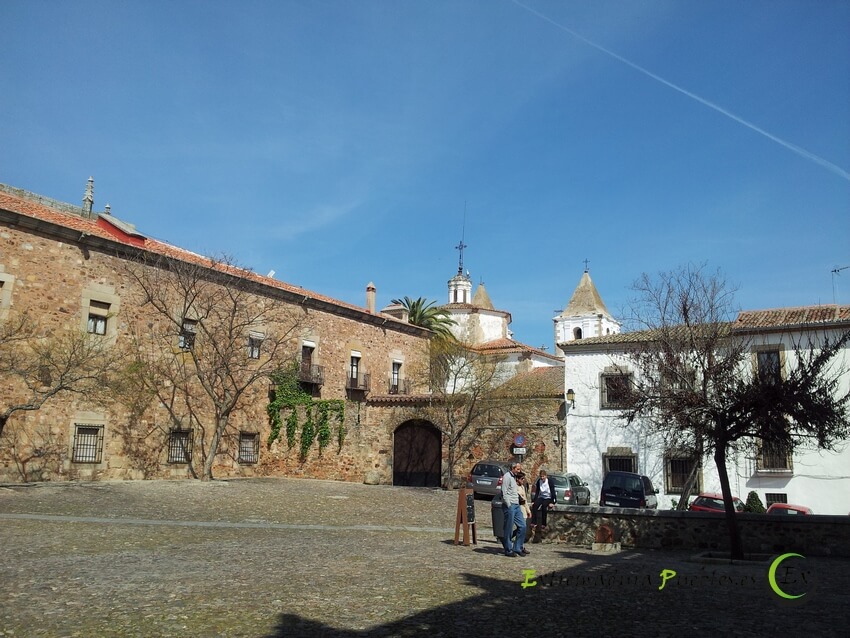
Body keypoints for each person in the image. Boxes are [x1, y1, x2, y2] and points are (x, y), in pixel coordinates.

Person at [500, 462, 528, 557]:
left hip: (516, 505)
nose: (519, 471)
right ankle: (508, 549)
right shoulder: (507, 477)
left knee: (523, 526)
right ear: (513, 468)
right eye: (518, 469)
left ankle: (517, 547)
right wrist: (508, 504)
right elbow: (504, 492)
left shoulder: (514, 477)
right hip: (510, 505)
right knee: (509, 529)